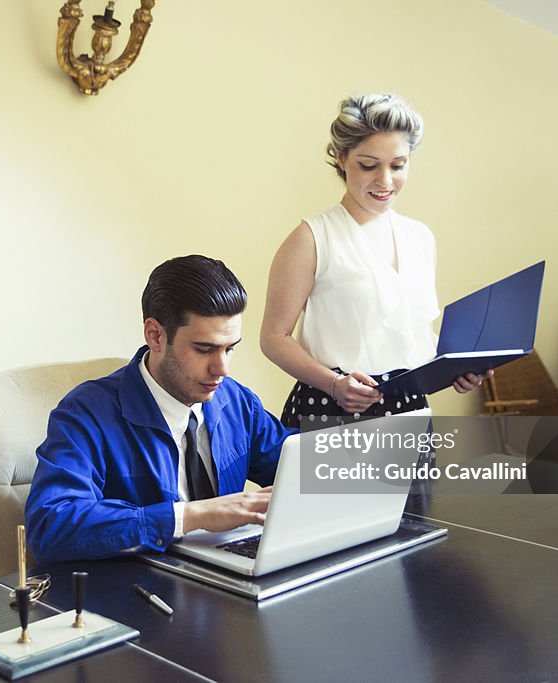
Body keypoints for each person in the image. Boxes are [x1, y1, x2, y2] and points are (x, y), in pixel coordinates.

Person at [25, 255, 294, 565]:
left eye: (230, 348)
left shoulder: (235, 401)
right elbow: (50, 526)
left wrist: (356, 446)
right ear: (155, 335)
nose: (222, 368)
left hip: (230, 587)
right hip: (140, 598)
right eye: (204, 349)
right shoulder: (85, 414)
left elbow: (302, 464)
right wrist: (189, 516)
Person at [260, 93, 490, 428]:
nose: (384, 181)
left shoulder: (420, 237)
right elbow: (273, 338)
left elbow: (411, 331)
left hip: (410, 407)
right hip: (333, 406)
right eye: (368, 165)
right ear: (341, 158)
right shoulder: (311, 238)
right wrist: (334, 384)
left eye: (398, 165)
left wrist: (456, 368)